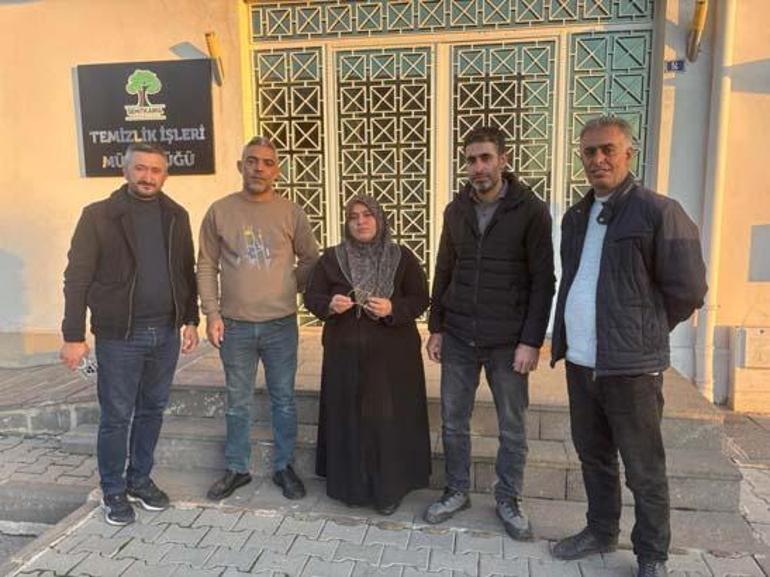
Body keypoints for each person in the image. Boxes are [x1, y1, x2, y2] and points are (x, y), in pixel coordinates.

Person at [550, 116, 707, 577]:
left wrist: (645, 331)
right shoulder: (576, 216)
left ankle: (651, 555)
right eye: (589, 152)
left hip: (631, 369)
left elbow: (688, 290)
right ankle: (600, 531)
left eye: (608, 150)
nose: (598, 159)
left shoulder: (660, 211)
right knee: (594, 456)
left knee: (644, 469)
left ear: (628, 154)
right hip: (581, 362)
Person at [423, 126, 555, 540]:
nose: (478, 167)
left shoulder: (531, 210)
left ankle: (509, 499)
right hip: (460, 334)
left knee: (512, 427)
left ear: (504, 159)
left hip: (508, 342)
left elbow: (543, 281)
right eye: (471, 160)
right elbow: (444, 269)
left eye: (485, 158)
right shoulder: (455, 210)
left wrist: (531, 340)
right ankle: (456, 491)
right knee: (453, 421)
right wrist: (437, 327)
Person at [60, 142, 199, 526]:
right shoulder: (98, 216)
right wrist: (73, 335)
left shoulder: (177, 215)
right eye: (140, 168)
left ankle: (139, 480)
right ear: (125, 170)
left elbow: (185, 271)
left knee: (152, 410)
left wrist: (191, 318)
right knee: (117, 416)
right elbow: (77, 277)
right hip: (119, 336)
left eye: (155, 170)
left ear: (165, 175)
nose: (147, 177)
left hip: (166, 333)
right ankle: (113, 489)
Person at [198, 136, 319, 502]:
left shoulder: (291, 212)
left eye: (267, 162)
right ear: (241, 166)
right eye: (252, 161)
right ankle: (237, 468)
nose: (259, 168)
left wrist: (289, 285)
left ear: (277, 170)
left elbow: (310, 258)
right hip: (234, 325)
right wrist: (212, 312)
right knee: (238, 401)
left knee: (284, 399)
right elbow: (207, 264)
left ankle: (284, 467)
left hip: (281, 325)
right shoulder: (220, 211)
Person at [304, 195, 431, 515]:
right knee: (350, 419)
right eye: (353, 216)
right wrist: (329, 304)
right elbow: (311, 296)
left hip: (393, 361)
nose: (360, 221)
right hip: (344, 358)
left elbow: (420, 298)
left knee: (386, 423)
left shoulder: (401, 257)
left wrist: (393, 307)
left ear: (380, 219)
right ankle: (352, 488)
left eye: (368, 215)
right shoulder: (331, 258)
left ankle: (389, 490)